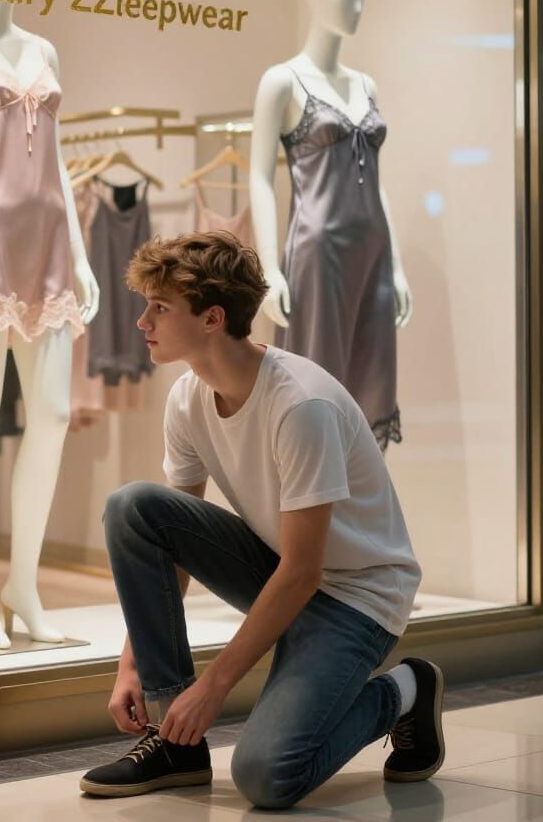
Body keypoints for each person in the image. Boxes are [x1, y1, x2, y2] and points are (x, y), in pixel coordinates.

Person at [79, 231, 443, 808]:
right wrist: (136, 669)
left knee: (267, 778)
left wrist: (213, 687)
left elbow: (304, 571)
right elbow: (163, 543)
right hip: (280, 570)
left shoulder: (301, 405)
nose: (142, 321)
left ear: (212, 318)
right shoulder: (187, 397)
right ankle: (175, 745)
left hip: (355, 597)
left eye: (160, 307)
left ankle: (406, 690)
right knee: (133, 507)